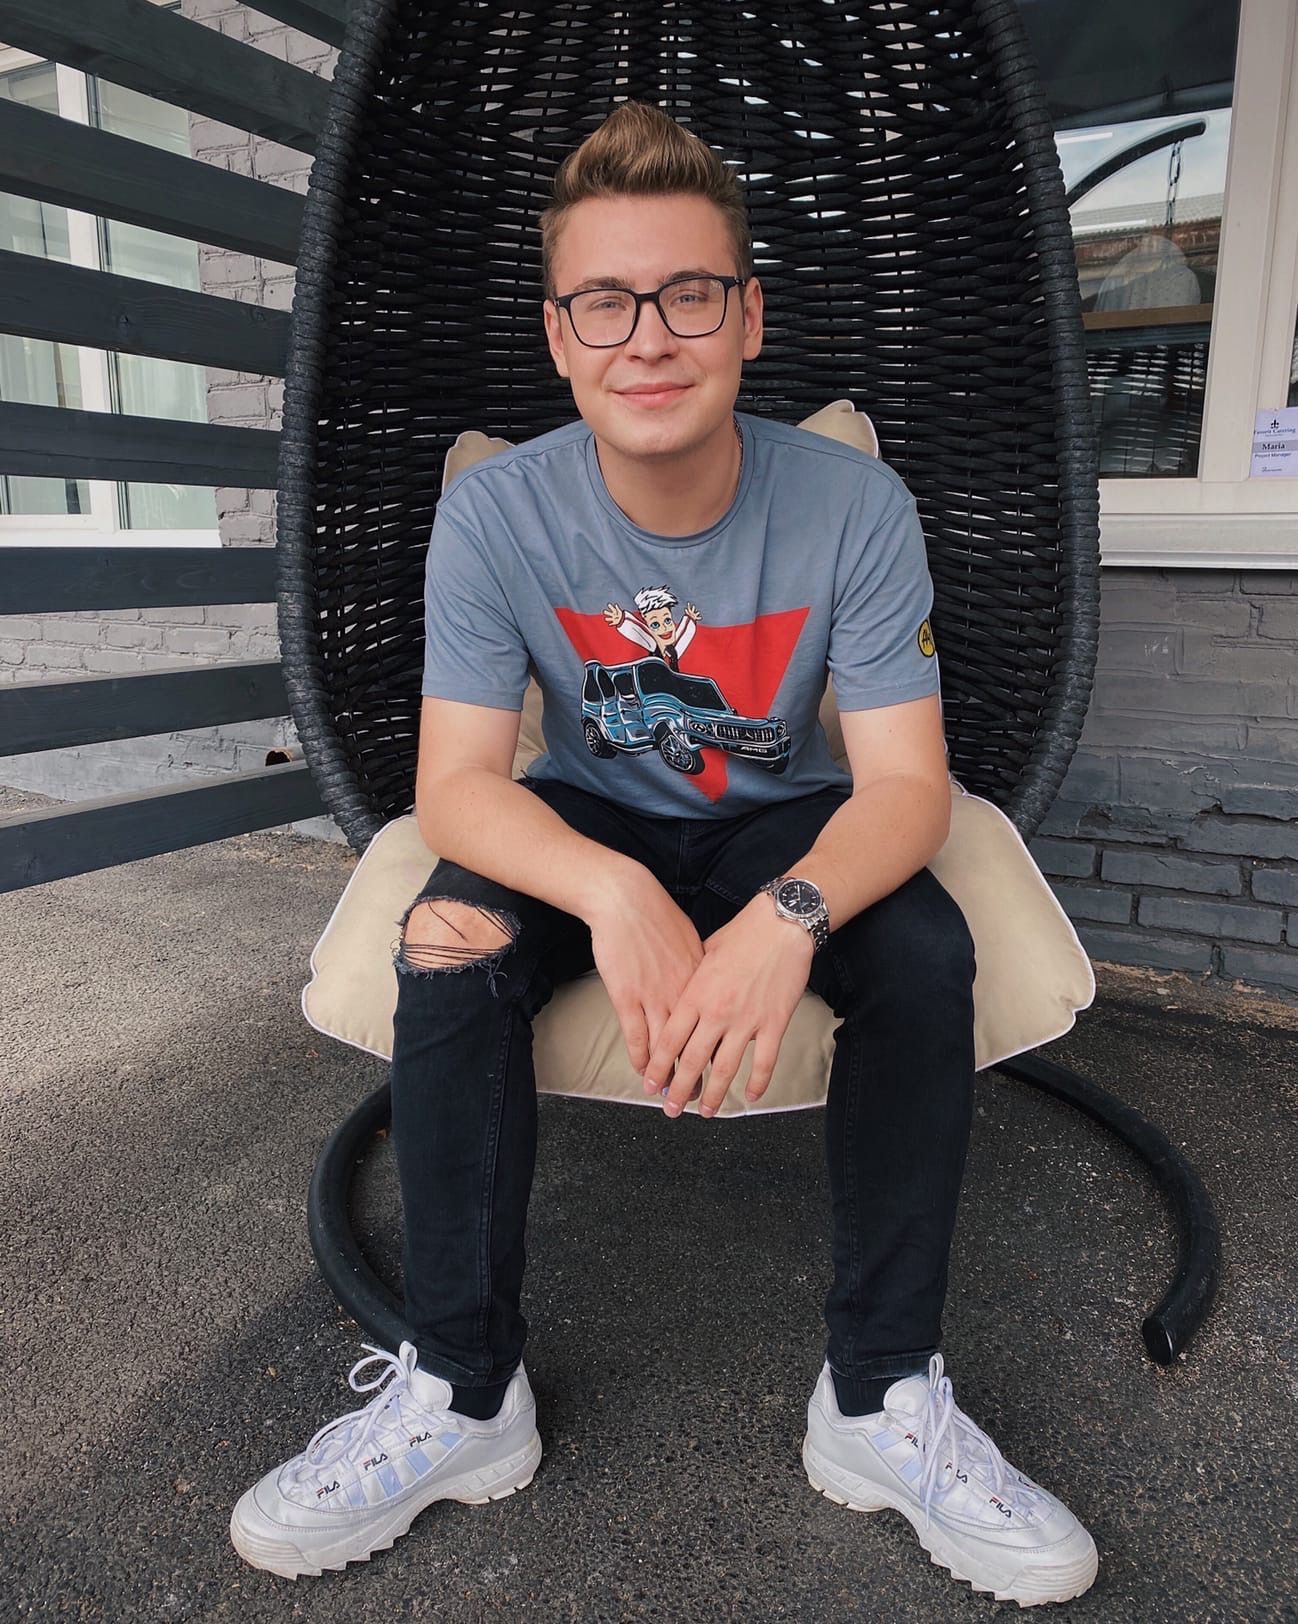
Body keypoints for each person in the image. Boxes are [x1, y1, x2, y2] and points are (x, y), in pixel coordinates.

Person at [231, 101, 1098, 1606]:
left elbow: (908, 787)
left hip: (786, 815)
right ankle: (462, 1394)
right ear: (559, 336)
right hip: (585, 810)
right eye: (604, 303)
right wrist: (614, 890)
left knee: (923, 950)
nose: (648, 337)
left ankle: (880, 1398)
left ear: (747, 319)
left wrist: (785, 917)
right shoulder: (495, 514)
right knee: (446, 941)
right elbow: (453, 788)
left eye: (688, 295)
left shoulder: (854, 505)